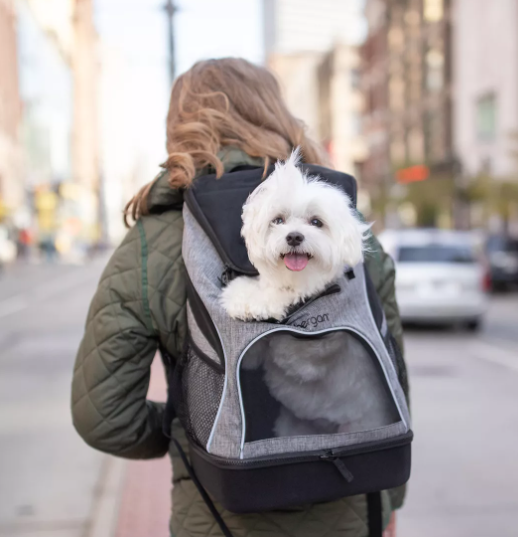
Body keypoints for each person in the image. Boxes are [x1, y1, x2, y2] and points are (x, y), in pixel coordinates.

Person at [71, 58, 408, 537]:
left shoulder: (152, 242)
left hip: (218, 512)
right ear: (276, 114)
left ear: (181, 127)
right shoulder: (337, 222)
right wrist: (391, 502)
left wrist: (191, 429)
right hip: (352, 508)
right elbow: (391, 383)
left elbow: (102, 416)